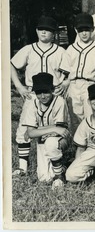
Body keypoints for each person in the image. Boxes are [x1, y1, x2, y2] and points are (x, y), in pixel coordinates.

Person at [11, 16, 67, 176]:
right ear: (36, 30)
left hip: (54, 92)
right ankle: (23, 167)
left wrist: (65, 83)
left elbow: (70, 73)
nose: (44, 32)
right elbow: (11, 64)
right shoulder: (29, 49)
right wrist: (19, 86)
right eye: (41, 28)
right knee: (24, 129)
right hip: (33, 92)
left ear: (54, 33)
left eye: (48, 29)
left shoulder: (60, 51)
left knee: (54, 130)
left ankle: (57, 163)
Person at [59, 13, 95, 129]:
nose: (84, 33)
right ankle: (79, 144)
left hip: (90, 84)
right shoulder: (71, 48)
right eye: (81, 30)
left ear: (93, 29)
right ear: (76, 30)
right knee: (75, 116)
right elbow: (65, 72)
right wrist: (67, 82)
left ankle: (92, 144)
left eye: (87, 29)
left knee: (91, 115)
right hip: (74, 85)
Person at [22, 73, 70, 189]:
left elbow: (60, 130)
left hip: (61, 139)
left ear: (52, 89)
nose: (42, 96)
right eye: (39, 92)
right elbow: (31, 133)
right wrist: (52, 128)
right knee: (44, 178)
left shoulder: (59, 101)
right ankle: (63, 166)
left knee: (51, 143)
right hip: (42, 141)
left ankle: (59, 177)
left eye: (46, 92)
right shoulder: (33, 104)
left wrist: (36, 130)